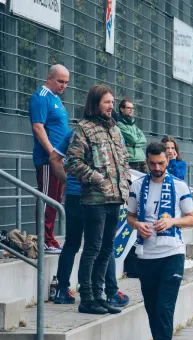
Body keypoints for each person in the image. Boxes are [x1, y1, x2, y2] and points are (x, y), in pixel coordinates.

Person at [127, 142, 193, 340]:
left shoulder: (179, 185)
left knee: (164, 310)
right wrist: (138, 226)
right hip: (146, 255)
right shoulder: (137, 185)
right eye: (152, 164)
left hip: (172, 254)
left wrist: (172, 222)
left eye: (161, 163)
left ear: (168, 160)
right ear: (147, 162)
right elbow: (131, 216)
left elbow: (192, 219)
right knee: (152, 310)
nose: (156, 168)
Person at [65, 85, 131, 315]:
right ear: (95, 103)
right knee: (92, 249)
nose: (112, 106)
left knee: (106, 249)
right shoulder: (83, 129)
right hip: (94, 199)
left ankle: (99, 295)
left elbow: (123, 160)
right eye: (107, 102)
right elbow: (71, 162)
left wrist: (127, 183)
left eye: (113, 102)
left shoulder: (114, 129)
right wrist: (96, 178)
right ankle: (87, 298)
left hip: (115, 198)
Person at [49, 131, 130, 307]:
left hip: (73, 195)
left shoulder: (73, 132)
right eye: (107, 102)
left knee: (71, 243)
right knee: (103, 244)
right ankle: (111, 292)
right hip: (98, 197)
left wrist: (67, 181)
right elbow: (121, 165)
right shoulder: (112, 133)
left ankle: (62, 290)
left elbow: (54, 158)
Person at [29, 64, 70, 254]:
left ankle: (50, 239)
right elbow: (38, 127)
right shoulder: (42, 97)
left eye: (66, 82)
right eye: (60, 81)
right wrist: (52, 153)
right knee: (47, 198)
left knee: (54, 199)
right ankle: (44, 240)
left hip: (59, 160)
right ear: (49, 78)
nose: (63, 85)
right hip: (48, 160)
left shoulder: (56, 99)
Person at [115, 98, 147, 173]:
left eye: (132, 108)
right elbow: (133, 140)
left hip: (141, 158)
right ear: (122, 109)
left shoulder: (133, 125)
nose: (131, 110)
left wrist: (134, 144)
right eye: (128, 108)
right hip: (131, 160)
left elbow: (144, 140)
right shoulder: (120, 125)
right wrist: (136, 142)